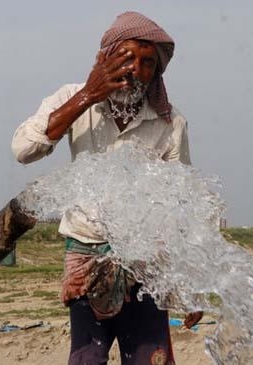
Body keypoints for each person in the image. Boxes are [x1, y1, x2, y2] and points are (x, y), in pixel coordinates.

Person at [11, 11, 201, 365]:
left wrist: (188, 286)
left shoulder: (170, 123)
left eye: (147, 63)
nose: (135, 70)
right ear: (106, 58)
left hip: (148, 265)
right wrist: (87, 95)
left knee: (151, 359)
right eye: (126, 57)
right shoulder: (74, 98)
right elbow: (23, 149)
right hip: (87, 258)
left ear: (156, 72)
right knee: (87, 359)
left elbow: (181, 207)